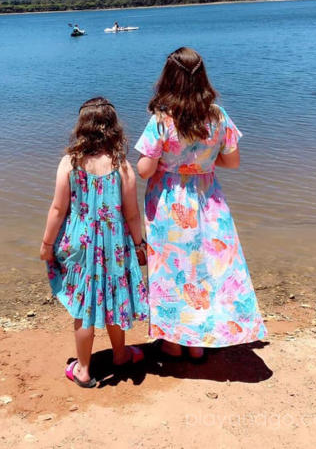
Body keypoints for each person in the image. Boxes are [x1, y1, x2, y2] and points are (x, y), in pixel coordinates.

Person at [135, 47, 266, 362]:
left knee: (172, 272)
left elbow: (145, 169)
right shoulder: (218, 115)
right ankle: (198, 343)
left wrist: (170, 164)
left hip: (169, 204)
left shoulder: (162, 120)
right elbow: (232, 162)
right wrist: (202, 163)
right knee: (205, 268)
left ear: (168, 79)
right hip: (208, 199)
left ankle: (173, 343)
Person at [40, 97, 148, 388]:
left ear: (81, 128)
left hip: (81, 244)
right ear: (114, 130)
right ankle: (121, 355)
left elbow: (57, 209)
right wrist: (138, 245)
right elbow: (132, 214)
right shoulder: (122, 166)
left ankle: (84, 369)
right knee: (112, 297)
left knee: (84, 304)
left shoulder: (70, 163)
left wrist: (47, 244)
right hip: (114, 245)